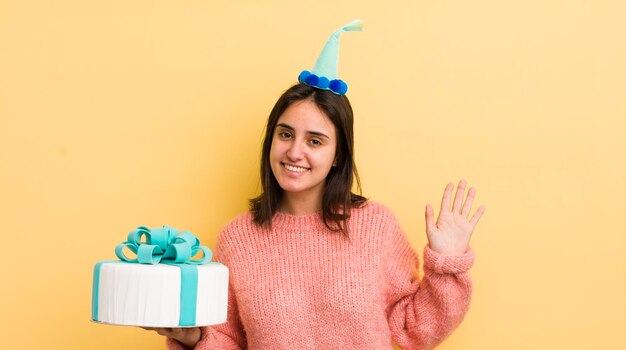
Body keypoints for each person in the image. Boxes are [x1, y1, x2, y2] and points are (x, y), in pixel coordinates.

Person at [146, 20, 485, 349]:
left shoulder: (376, 227)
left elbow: (416, 331)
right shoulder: (237, 239)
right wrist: (191, 338)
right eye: (285, 134)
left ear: (338, 155)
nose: (295, 152)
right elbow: (227, 340)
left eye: (315, 141)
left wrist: (446, 264)